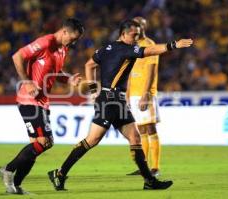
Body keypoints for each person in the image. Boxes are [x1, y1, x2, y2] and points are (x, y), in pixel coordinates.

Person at [48, 19, 193, 191]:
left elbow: (90, 65)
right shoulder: (127, 49)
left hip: (117, 101)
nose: (136, 39)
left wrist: (94, 91)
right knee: (92, 140)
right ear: (123, 34)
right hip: (109, 101)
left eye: (138, 36)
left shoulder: (106, 48)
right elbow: (152, 50)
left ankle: (149, 181)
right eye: (134, 35)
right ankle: (60, 173)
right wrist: (174, 45)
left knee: (135, 138)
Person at [0, 18, 84, 195]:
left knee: (35, 146)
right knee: (46, 142)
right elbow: (17, 56)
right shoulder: (46, 42)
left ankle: (16, 186)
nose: (73, 42)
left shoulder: (63, 49)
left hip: (42, 101)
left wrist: (68, 79)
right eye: (73, 38)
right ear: (64, 31)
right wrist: (27, 82)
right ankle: (7, 169)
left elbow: (55, 72)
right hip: (29, 100)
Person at [126, 16, 161, 177]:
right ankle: (144, 166)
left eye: (139, 25)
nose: (136, 28)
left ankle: (155, 167)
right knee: (140, 130)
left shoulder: (149, 45)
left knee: (150, 127)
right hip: (133, 93)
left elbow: (151, 72)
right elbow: (129, 73)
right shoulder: (132, 46)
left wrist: (146, 94)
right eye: (134, 25)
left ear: (144, 27)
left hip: (145, 93)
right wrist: (127, 93)